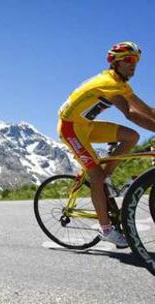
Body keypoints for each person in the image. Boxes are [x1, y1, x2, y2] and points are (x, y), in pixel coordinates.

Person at [58, 41, 155, 248]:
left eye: (136, 60)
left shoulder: (120, 84)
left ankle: (105, 177)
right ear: (116, 63)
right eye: (128, 60)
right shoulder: (108, 83)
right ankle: (105, 229)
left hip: (86, 125)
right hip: (71, 129)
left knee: (131, 137)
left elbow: (147, 110)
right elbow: (130, 113)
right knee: (97, 177)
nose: (133, 64)